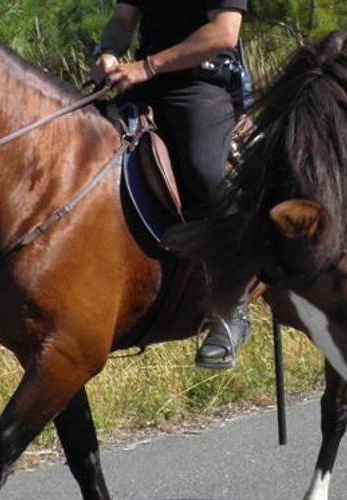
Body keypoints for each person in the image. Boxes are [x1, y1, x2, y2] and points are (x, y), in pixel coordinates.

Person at [91, 0, 252, 370]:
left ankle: (232, 309)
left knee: (205, 173)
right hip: (140, 84)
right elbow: (122, 18)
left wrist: (147, 66)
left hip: (197, 86)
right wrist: (108, 52)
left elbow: (224, 33)